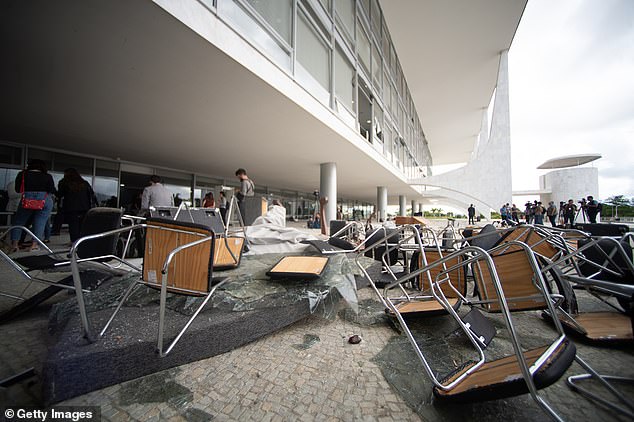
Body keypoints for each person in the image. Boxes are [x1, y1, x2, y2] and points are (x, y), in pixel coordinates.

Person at [10, 159, 56, 252]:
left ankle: (15, 245)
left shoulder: (22, 174)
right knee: (40, 222)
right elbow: (52, 190)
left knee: (19, 221)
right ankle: (34, 245)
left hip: (28, 199)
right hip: (44, 200)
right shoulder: (47, 176)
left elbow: (18, 190)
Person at [56, 168, 96, 243]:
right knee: (81, 226)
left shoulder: (64, 183)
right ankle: (80, 242)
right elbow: (91, 194)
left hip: (71, 208)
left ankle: (74, 242)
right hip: (84, 207)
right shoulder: (84, 183)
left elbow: (60, 194)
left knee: (73, 226)